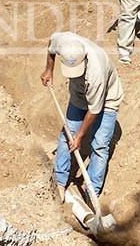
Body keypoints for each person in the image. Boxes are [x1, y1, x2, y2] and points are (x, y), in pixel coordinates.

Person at [41, 31, 123, 200]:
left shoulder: (96, 73)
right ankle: (60, 181)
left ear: (84, 59)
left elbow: (94, 110)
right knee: (67, 135)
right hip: (79, 93)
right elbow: (51, 46)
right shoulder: (64, 42)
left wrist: (79, 137)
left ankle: (92, 192)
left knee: (100, 145)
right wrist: (49, 69)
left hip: (107, 99)